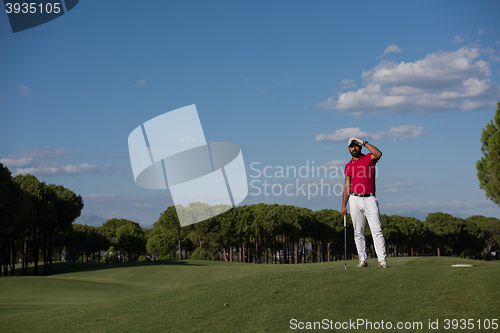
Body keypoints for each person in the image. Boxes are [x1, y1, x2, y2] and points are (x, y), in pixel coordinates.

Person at [341, 137, 388, 268]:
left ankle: (382, 260)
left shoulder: (368, 158)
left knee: (376, 230)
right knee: (358, 231)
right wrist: (344, 205)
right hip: (354, 199)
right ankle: (362, 259)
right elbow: (347, 186)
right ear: (348, 149)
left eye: (356, 146)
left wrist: (365, 143)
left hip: (370, 198)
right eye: (351, 146)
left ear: (360, 147)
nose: (354, 148)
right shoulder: (348, 165)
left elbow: (378, 154)